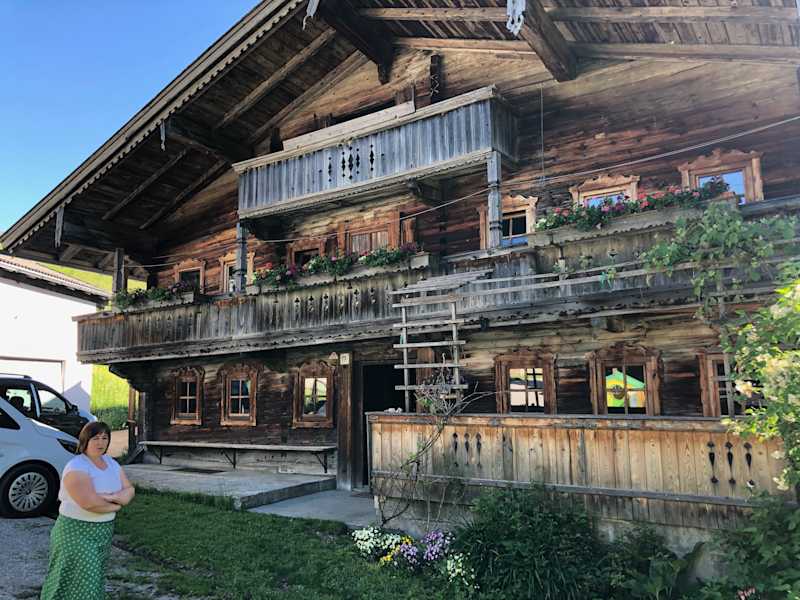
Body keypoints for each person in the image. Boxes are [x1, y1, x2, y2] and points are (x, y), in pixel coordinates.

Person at [40, 421, 135, 600]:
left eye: (105, 438)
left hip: (102, 532)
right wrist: (117, 503)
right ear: (85, 440)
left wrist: (112, 498)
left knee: (94, 579)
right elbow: (89, 503)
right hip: (75, 532)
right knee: (72, 578)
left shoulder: (111, 463)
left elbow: (129, 489)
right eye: (95, 438)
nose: (101, 442)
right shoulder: (77, 466)